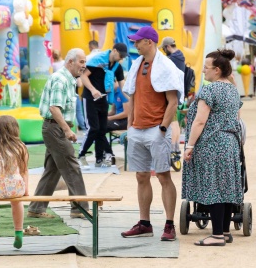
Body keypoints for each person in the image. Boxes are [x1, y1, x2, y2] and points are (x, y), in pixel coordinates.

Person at [121, 26, 184, 241]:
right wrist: (129, 125)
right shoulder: (137, 64)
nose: (135, 44)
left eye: (138, 41)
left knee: (164, 176)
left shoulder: (165, 66)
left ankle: (169, 224)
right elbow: (132, 96)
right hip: (137, 128)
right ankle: (144, 222)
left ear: (149, 42)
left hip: (157, 129)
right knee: (141, 176)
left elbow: (173, 102)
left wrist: (163, 129)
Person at [182, 49, 243, 246]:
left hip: (211, 143)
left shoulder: (209, 90)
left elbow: (200, 121)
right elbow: (237, 117)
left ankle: (216, 235)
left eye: (206, 68)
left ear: (217, 70)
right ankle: (224, 231)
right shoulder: (233, 89)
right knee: (225, 188)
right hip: (230, 143)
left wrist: (190, 145)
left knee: (213, 187)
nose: (203, 72)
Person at [28, 48, 90, 219]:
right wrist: (67, 129)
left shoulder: (69, 80)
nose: (84, 66)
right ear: (70, 62)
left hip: (56, 128)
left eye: (84, 62)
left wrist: (68, 127)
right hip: (55, 128)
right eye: (81, 62)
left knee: (53, 170)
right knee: (71, 164)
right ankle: (80, 208)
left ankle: (36, 208)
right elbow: (54, 108)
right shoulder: (61, 80)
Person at [77, 43, 127, 168]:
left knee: (102, 129)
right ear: (114, 50)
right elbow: (83, 76)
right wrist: (93, 90)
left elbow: (122, 86)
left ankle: (99, 159)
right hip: (90, 98)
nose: (121, 58)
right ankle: (81, 155)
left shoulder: (117, 67)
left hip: (104, 99)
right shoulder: (98, 60)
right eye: (120, 55)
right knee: (93, 128)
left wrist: (131, 97)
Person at [0, 115, 30, 249]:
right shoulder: (20, 147)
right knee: (17, 202)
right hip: (15, 187)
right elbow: (24, 171)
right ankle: (18, 232)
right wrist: (26, 191)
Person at [160, 37, 185, 160]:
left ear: (168, 47)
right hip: (178, 91)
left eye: (164, 49)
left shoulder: (172, 59)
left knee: (173, 121)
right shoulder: (180, 55)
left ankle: (173, 149)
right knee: (175, 121)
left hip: (173, 91)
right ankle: (175, 149)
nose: (164, 51)